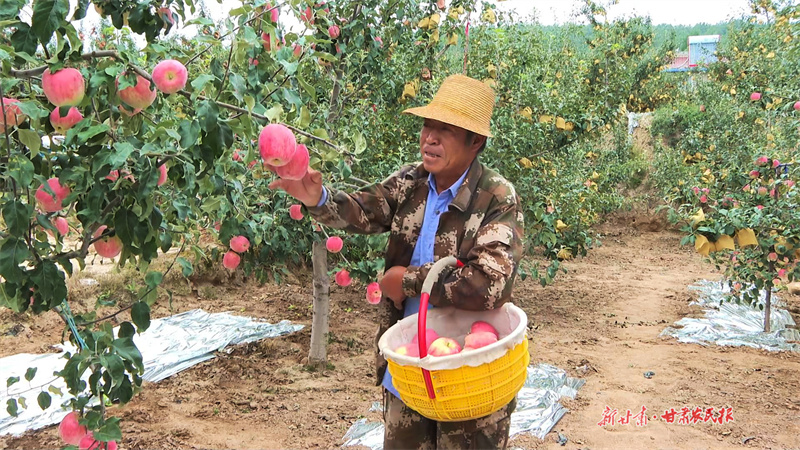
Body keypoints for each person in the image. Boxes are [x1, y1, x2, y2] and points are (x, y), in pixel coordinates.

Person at [269, 74, 524, 449]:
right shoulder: (413, 180)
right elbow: (364, 211)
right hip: (411, 361)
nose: (430, 138)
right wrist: (317, 197)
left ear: (476, 142)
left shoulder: (496, 198)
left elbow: (489, 285)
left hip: (469, 369)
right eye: (428, 126)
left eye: (446, 130)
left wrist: (406, 282)